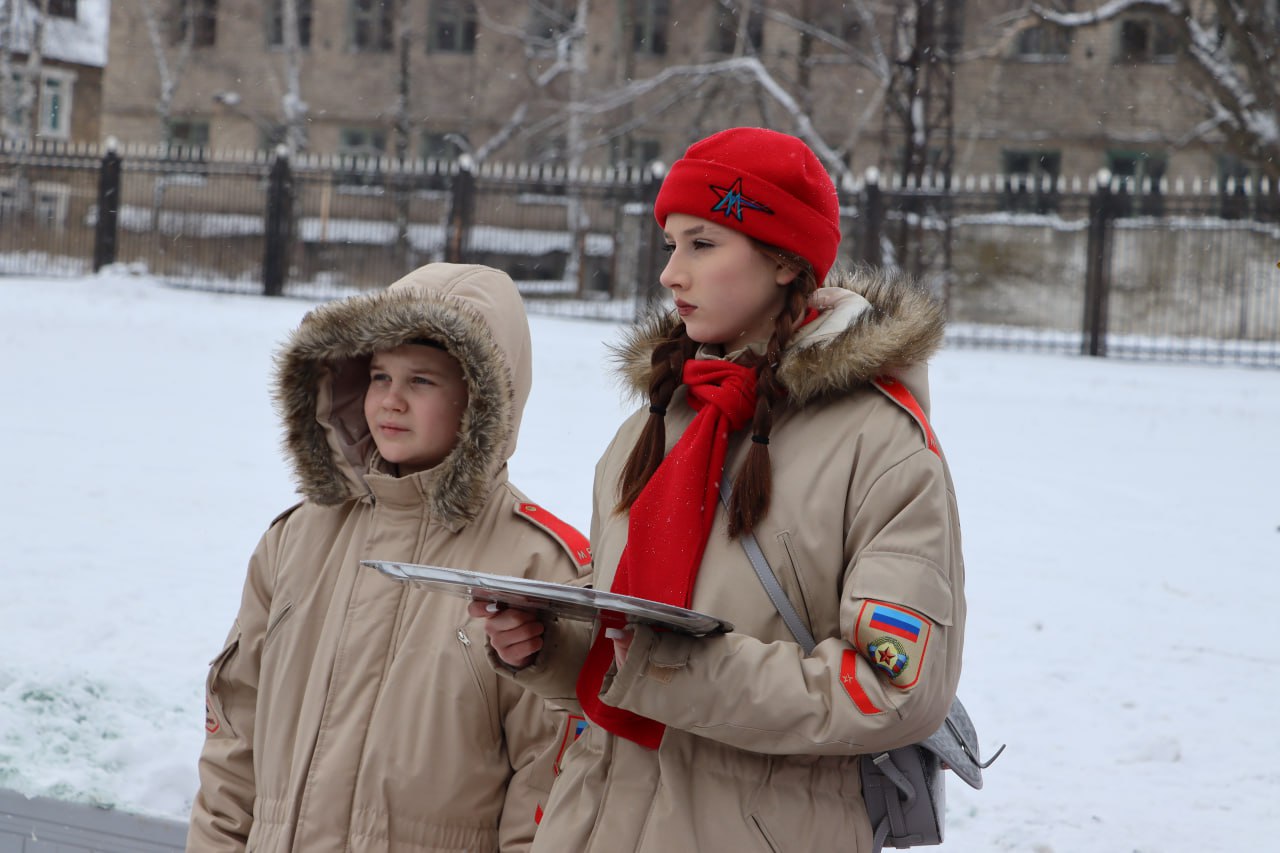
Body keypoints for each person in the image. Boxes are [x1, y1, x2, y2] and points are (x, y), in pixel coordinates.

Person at [471, 127, 966, 852]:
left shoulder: (882, 446)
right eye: (671, 244)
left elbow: (895, 691)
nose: (672, 273)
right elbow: (627, 636)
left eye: (702, 245)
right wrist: (546, 645)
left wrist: (671, 668)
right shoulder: (656, 423)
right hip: (600, 822)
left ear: (784, 262)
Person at [187, 263, 592, 853]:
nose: (391, 401)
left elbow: (548, 781)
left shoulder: (536, 565)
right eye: (379, 376)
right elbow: (235, 731)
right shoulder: (298, 538)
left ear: (481, 399)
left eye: (422, 381)